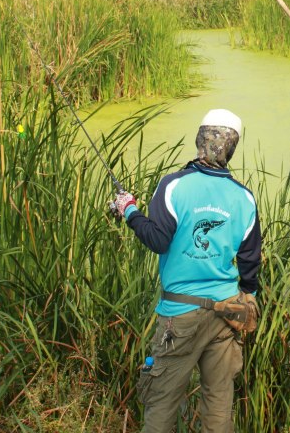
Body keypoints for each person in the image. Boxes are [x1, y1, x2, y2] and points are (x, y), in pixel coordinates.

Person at [111, 109, 261, 433]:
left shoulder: (173, 186)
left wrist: (129, 210)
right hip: (227, 313)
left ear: (200, 139)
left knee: (161, 403)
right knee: (219, 405)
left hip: (179, 317)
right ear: (231, 148)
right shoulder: (244, 198)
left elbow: (157, 240)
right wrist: (248, 295)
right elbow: (250, 263)